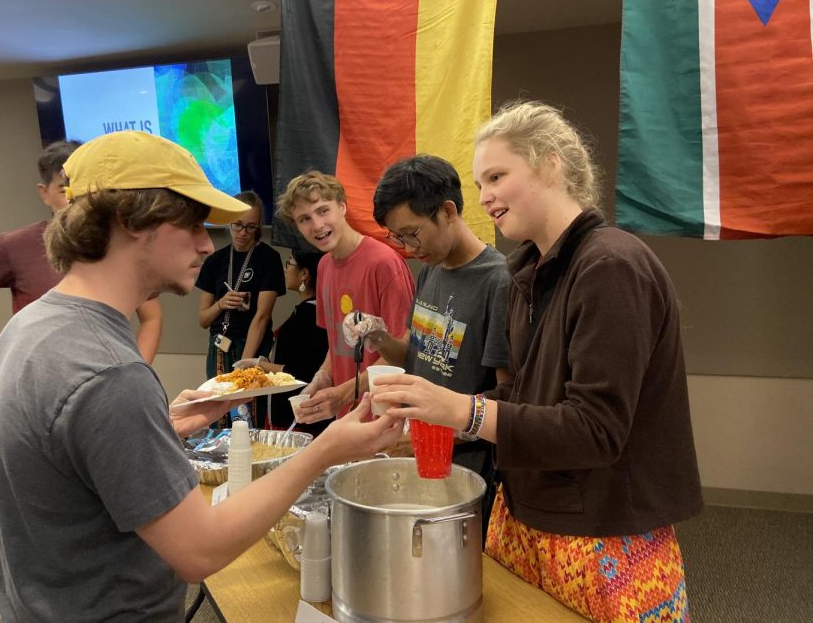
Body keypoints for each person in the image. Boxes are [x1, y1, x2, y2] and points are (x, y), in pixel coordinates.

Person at [0, 130, 402, 622]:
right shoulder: (110, 375)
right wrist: (329, 448)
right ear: (129, 222)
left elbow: (70, 462)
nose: (206, 243)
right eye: (193, 224)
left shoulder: (30, 326)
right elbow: (201, 551)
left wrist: (159, 422)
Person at [374, 102, 703, 622]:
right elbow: (526, 399)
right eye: (480, 182)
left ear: (550, 164)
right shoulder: (528, 272)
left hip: (599, 533)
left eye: (497, 176)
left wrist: (465, 412)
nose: (484, 197)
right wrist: (436, 409)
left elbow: (595, 430)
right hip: (527, 518)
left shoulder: (611, 266)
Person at [360, 153, 509, 529]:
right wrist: (378, 338)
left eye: (411, 233)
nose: (408, 248)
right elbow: (416, 354)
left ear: (446, 211)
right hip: (422, 457)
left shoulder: (499, 282)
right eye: (397, 238)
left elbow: (508, 400)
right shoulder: (431, 268)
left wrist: (429, 438)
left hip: (468, 471)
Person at [0, 140, 162, 365]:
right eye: (64, 190)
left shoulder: (119, 244)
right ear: (44, 192)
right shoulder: (16, 245)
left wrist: (136, 367)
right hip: (39, 379)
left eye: (86, 189)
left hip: (106, 377)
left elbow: (151, 316)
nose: (77, 199)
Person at [275, 171, 415, 422]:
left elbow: (402, 354)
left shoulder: (384, 263)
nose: (317, 225)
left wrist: (344, 393)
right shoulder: (325, 266)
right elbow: (336, 339)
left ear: (342, 207)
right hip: (347, 417)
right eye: (304, 219)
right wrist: (323, 376)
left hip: (386, 417)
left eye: (323, 210)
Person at [235, 248, 329, 435]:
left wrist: (259, 364)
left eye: (289, 263)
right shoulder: (307, 311)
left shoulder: (309, 316)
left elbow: (299, 372)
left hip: (297, 421)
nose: (285, 269)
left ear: (304, 274)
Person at [196, 190, 286, 381]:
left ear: (259, 226)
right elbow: (203, 320)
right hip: (220, 346)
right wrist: (221, 303)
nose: (243, 233)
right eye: (237, 225)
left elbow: (262, 316)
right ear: (229, 221)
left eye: (250, 227)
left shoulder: (268, 258)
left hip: (252, 346)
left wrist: (245, 364)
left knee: (248, 408)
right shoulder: (215, 260)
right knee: (220, 407)